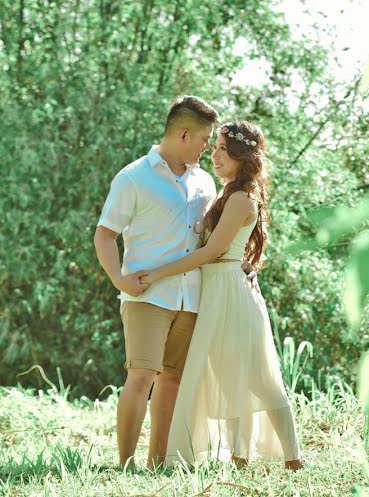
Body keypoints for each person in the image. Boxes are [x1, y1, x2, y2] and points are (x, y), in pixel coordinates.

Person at [137, 121, 302, 470]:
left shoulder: (242, 199)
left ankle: (293, 458)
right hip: (214, 290)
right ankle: (238, 455)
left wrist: (158, 272)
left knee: (259, 376)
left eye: (222, 149)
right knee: (227, 374)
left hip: (230, 290)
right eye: (213, 148)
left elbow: (212, 251)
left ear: (243, 156)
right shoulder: (224, 195)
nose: (214, 155)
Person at [94, 95, 219, 469]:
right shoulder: (133, 177)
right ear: (184, 134)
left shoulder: (205, 183)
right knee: (142, 375)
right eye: (204, 139)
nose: (207, 147)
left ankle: (157, 463)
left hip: (191, 299)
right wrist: (119, 279)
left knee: (173, 381)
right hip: (147, 295)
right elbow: (104, 235)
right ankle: (125, 464)